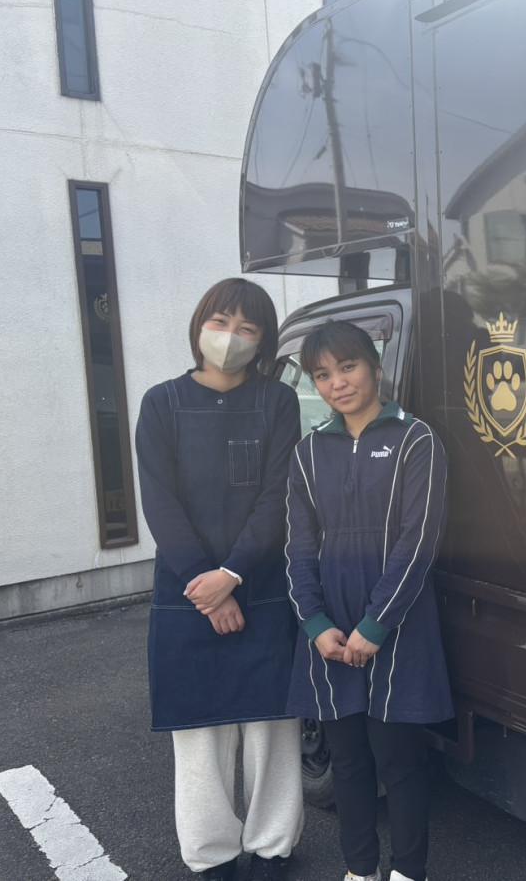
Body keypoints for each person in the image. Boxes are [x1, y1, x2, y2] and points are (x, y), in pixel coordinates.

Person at [135, 278, 303, 881]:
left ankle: (273, 847)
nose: (230, 338)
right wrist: (207, 585)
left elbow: (279, 495)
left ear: (264, 342)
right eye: (220, 322)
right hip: (189, 594)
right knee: (199, 732)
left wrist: (231, 574)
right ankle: (211, 855)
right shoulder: (161, 402)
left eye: (247, 328)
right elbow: (159, 501)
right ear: (199, 325)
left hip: (262, 586)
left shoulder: (278, 402)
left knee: (271, 730)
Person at [284, 320, 452, 881]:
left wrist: (375, 625)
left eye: (348, 366)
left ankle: (408, 872)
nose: (337, 383)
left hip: (398, 625)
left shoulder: (416, 440)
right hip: (330, 629)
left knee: (399, 762)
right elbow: (298, 547)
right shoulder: (308, 453)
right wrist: (314, 622)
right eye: (322, 375)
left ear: (376, 368)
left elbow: (419, 541)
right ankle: (359, 870)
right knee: (349, 761)